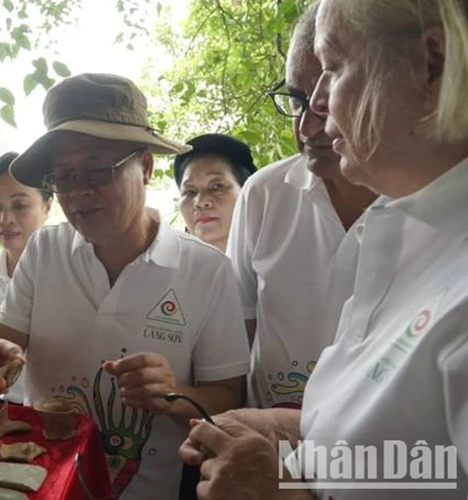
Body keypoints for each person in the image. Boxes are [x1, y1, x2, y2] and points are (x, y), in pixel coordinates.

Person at [181, 0, 468, 498]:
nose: (315, 106)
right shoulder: (403, 224)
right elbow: (426, 461)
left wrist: (284, 494)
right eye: (300, 92)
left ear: (432, 63)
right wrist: (297, 432)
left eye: (333, 68)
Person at [0, 73, 251, 499]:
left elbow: (228, 400)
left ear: (146, 166)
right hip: (40, 484)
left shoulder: (206, 270)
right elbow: (1, 351)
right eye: (65, 177)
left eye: (98, 171)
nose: (80, 192)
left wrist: (171, 394)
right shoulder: (45, 250)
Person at [226, 3, 377, 409]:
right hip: (264, 455)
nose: (309, 126)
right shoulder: (263, 194)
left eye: (328, 101)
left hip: (388, 464)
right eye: (296, 99)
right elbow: (237, 335)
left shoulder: (427, 209)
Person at [0, 152, 53, 404]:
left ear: (47, 206)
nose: (5, 219)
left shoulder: (70, 274)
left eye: (20, 205)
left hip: (58, 412)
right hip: (2, 410)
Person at [173, 133, 256, 252]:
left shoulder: (281, 261)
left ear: (247, 192)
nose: (201, 202)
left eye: (217, 187)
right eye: (190, 192)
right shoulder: (166, 268)